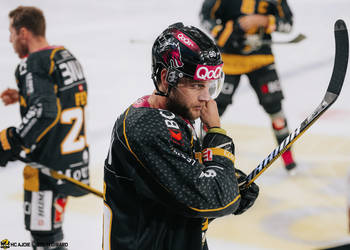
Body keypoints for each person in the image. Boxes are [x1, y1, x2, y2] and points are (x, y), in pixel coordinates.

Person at [103, 22, 259, 250]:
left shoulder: (172, 118)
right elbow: (211, 198)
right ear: (166, 78)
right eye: (197, 85)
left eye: (209, 85)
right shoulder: (147, 128)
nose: (207, 97)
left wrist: (227, 180)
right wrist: (216, 134)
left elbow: (181, 196)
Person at [0, 6, 89, 250]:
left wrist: (13, 141)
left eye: (11, 32)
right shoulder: (64, 56)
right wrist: (24, 96)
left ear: (23, 33)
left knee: (44, 241)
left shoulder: (33, 64)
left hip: (46, 170)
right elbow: (64, 99)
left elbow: (45, 112)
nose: (9, 39)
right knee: (52, 235)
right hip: (70, 164)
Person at [200, 0, 297, 171]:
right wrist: (226, 32)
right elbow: (205, 17)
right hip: (228, 61)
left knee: (276, 110)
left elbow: (288, 24)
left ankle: (289, 159)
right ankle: (199, 155)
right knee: (212, 108)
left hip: (261, 60)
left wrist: (264, 21)